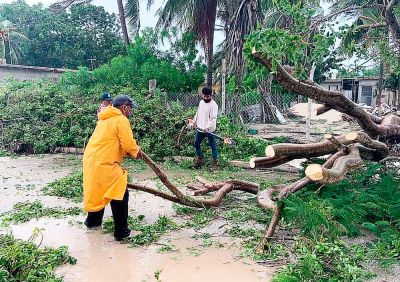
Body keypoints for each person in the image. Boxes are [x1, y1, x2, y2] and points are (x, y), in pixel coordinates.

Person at [83, 94, 140, 241]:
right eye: (130, 108)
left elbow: (111, 141)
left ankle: (93, 223)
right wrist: (136, 152)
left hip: (91, 161)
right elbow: (127, 143)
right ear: (124, 107)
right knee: (120, 193)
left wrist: (126, 151)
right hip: (105, 163)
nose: (130, 112)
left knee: (98, 191)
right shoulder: (121, 120)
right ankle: (121, 232)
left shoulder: (104, 119)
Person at [189, 87, 219, 168]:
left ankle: (215, 163)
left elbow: (213, 119)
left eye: (207, 96)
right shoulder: (201, 102)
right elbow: (198, 114)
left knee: (213, 146)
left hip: (210, 130)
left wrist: (207, 127)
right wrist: (193, 123)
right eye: (204, 96)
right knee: (197, 143)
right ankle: (199, 160)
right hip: (200, 129)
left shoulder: (214, 105)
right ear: (202, 95)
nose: (205, 98)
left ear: (211, 96)